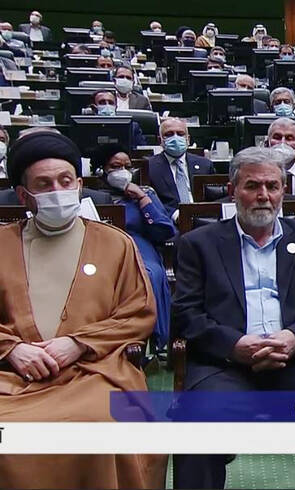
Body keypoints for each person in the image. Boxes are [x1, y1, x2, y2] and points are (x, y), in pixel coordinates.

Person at [171, 146, 295, 489]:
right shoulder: (198, 243)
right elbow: (187, 314)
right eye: (252, 186)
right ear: (232, 190)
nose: (263, 196)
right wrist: (235, 345)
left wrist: (294, 338)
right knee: (199, 416)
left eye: (272, 186)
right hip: (224, 365)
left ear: (284, 190)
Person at [0, 131, 166, 488]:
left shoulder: (116, 243)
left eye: (65, 181)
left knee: (100, 425)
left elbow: (138, 313)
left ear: (79, 185)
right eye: (44, 184)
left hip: (93, 371)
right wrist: (12, 349)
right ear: (23, 195)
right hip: (12, 377)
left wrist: (77, 343)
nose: (57, 191)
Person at [91, 144, 176, 349]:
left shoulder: (145, 193)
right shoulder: (93, 196)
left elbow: (165, 230)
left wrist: (141, 198)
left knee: (150, 273)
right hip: (101, 248)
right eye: (115, 167)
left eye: (127, 166)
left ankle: (153, 339)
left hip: (139, 247)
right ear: (102, 170)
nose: (123, 171)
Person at [148, 117, 214, 221]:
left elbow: (213, 197)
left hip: (203, 220)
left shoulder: (205, 164)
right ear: (160, 140)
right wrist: (176, 216)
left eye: (180, 134)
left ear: (188, 139)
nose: (175, 138)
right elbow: (150, 201)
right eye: (169, 134)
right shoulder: (150, 167)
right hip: (169, 222)